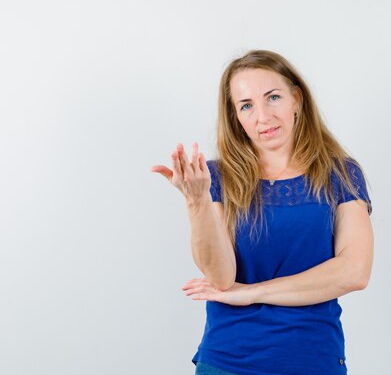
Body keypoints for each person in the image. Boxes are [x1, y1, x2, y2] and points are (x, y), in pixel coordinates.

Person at [150, 49, 374, 375]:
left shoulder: (339, 173)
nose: (263, 117)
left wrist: (252, 293)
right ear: (236, 118)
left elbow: (355, 272)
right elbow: (221, 278)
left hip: (312, 359)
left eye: (273, 97)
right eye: (247, 106)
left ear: (296, 99)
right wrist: (197, 202)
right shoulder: (218, 177)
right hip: (228, 360)